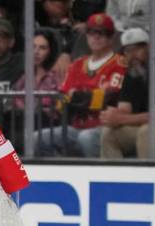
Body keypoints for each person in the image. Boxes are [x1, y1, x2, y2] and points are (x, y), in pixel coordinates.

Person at [35, 13, 126, 157]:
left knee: (87, 138)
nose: (96, 37)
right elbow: (61, 101)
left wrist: (78, 97)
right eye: (92, 32)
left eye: (102, 33)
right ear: (86, 35)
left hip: (103, 128)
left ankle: (96, 176)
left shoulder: (119, 64)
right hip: (76, 127)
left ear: (111, 37)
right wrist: (86, 98)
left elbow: (111, 98)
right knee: (39, 138)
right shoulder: (77, 64)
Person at [100, 28, 155, 157]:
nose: (132, 55)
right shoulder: (132, 73)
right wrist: (111, 117)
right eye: (127, 51)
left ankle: (150, 177)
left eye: (137, 49)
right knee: (109, 134)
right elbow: (125, 109)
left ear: (150, 47)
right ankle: (114, 176)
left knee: (147, 132)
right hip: (149, 123)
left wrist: (121, 119)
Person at [4, 29, 62, 146]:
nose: (36, 52)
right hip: (21, 125)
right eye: (33, 47)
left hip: (47, 126)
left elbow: (55, 110)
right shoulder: (22, 77)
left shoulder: (57, 76)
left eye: (42, 48)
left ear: (51, 51)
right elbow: (12, 103)